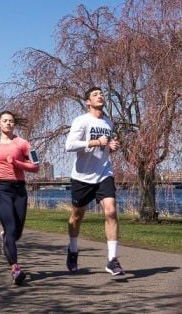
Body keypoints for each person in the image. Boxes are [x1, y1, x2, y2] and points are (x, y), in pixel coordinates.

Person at [65, 86, 123, 275]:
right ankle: (73, 251)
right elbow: (70, 145)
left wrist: (112, 146)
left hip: (104, 173)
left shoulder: (108, 122)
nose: (100, 96)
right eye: (95, 94)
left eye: (102, 94)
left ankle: (112, 260)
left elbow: (107, 146)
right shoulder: (81, 120)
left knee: (111, 211)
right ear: (88, 102)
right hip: (82, 176)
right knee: (77, 216)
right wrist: (96, 142)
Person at [0, 110, 39, 285]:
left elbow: (35, 166)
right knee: (11, 227)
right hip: (0, 189)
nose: (8, 123)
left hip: (19, 190)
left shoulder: (24, 144)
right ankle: (16, 268)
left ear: (14, 124)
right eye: (4, 121)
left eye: (11, 121)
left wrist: (17, 163)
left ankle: (5, 237)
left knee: (17, 232)